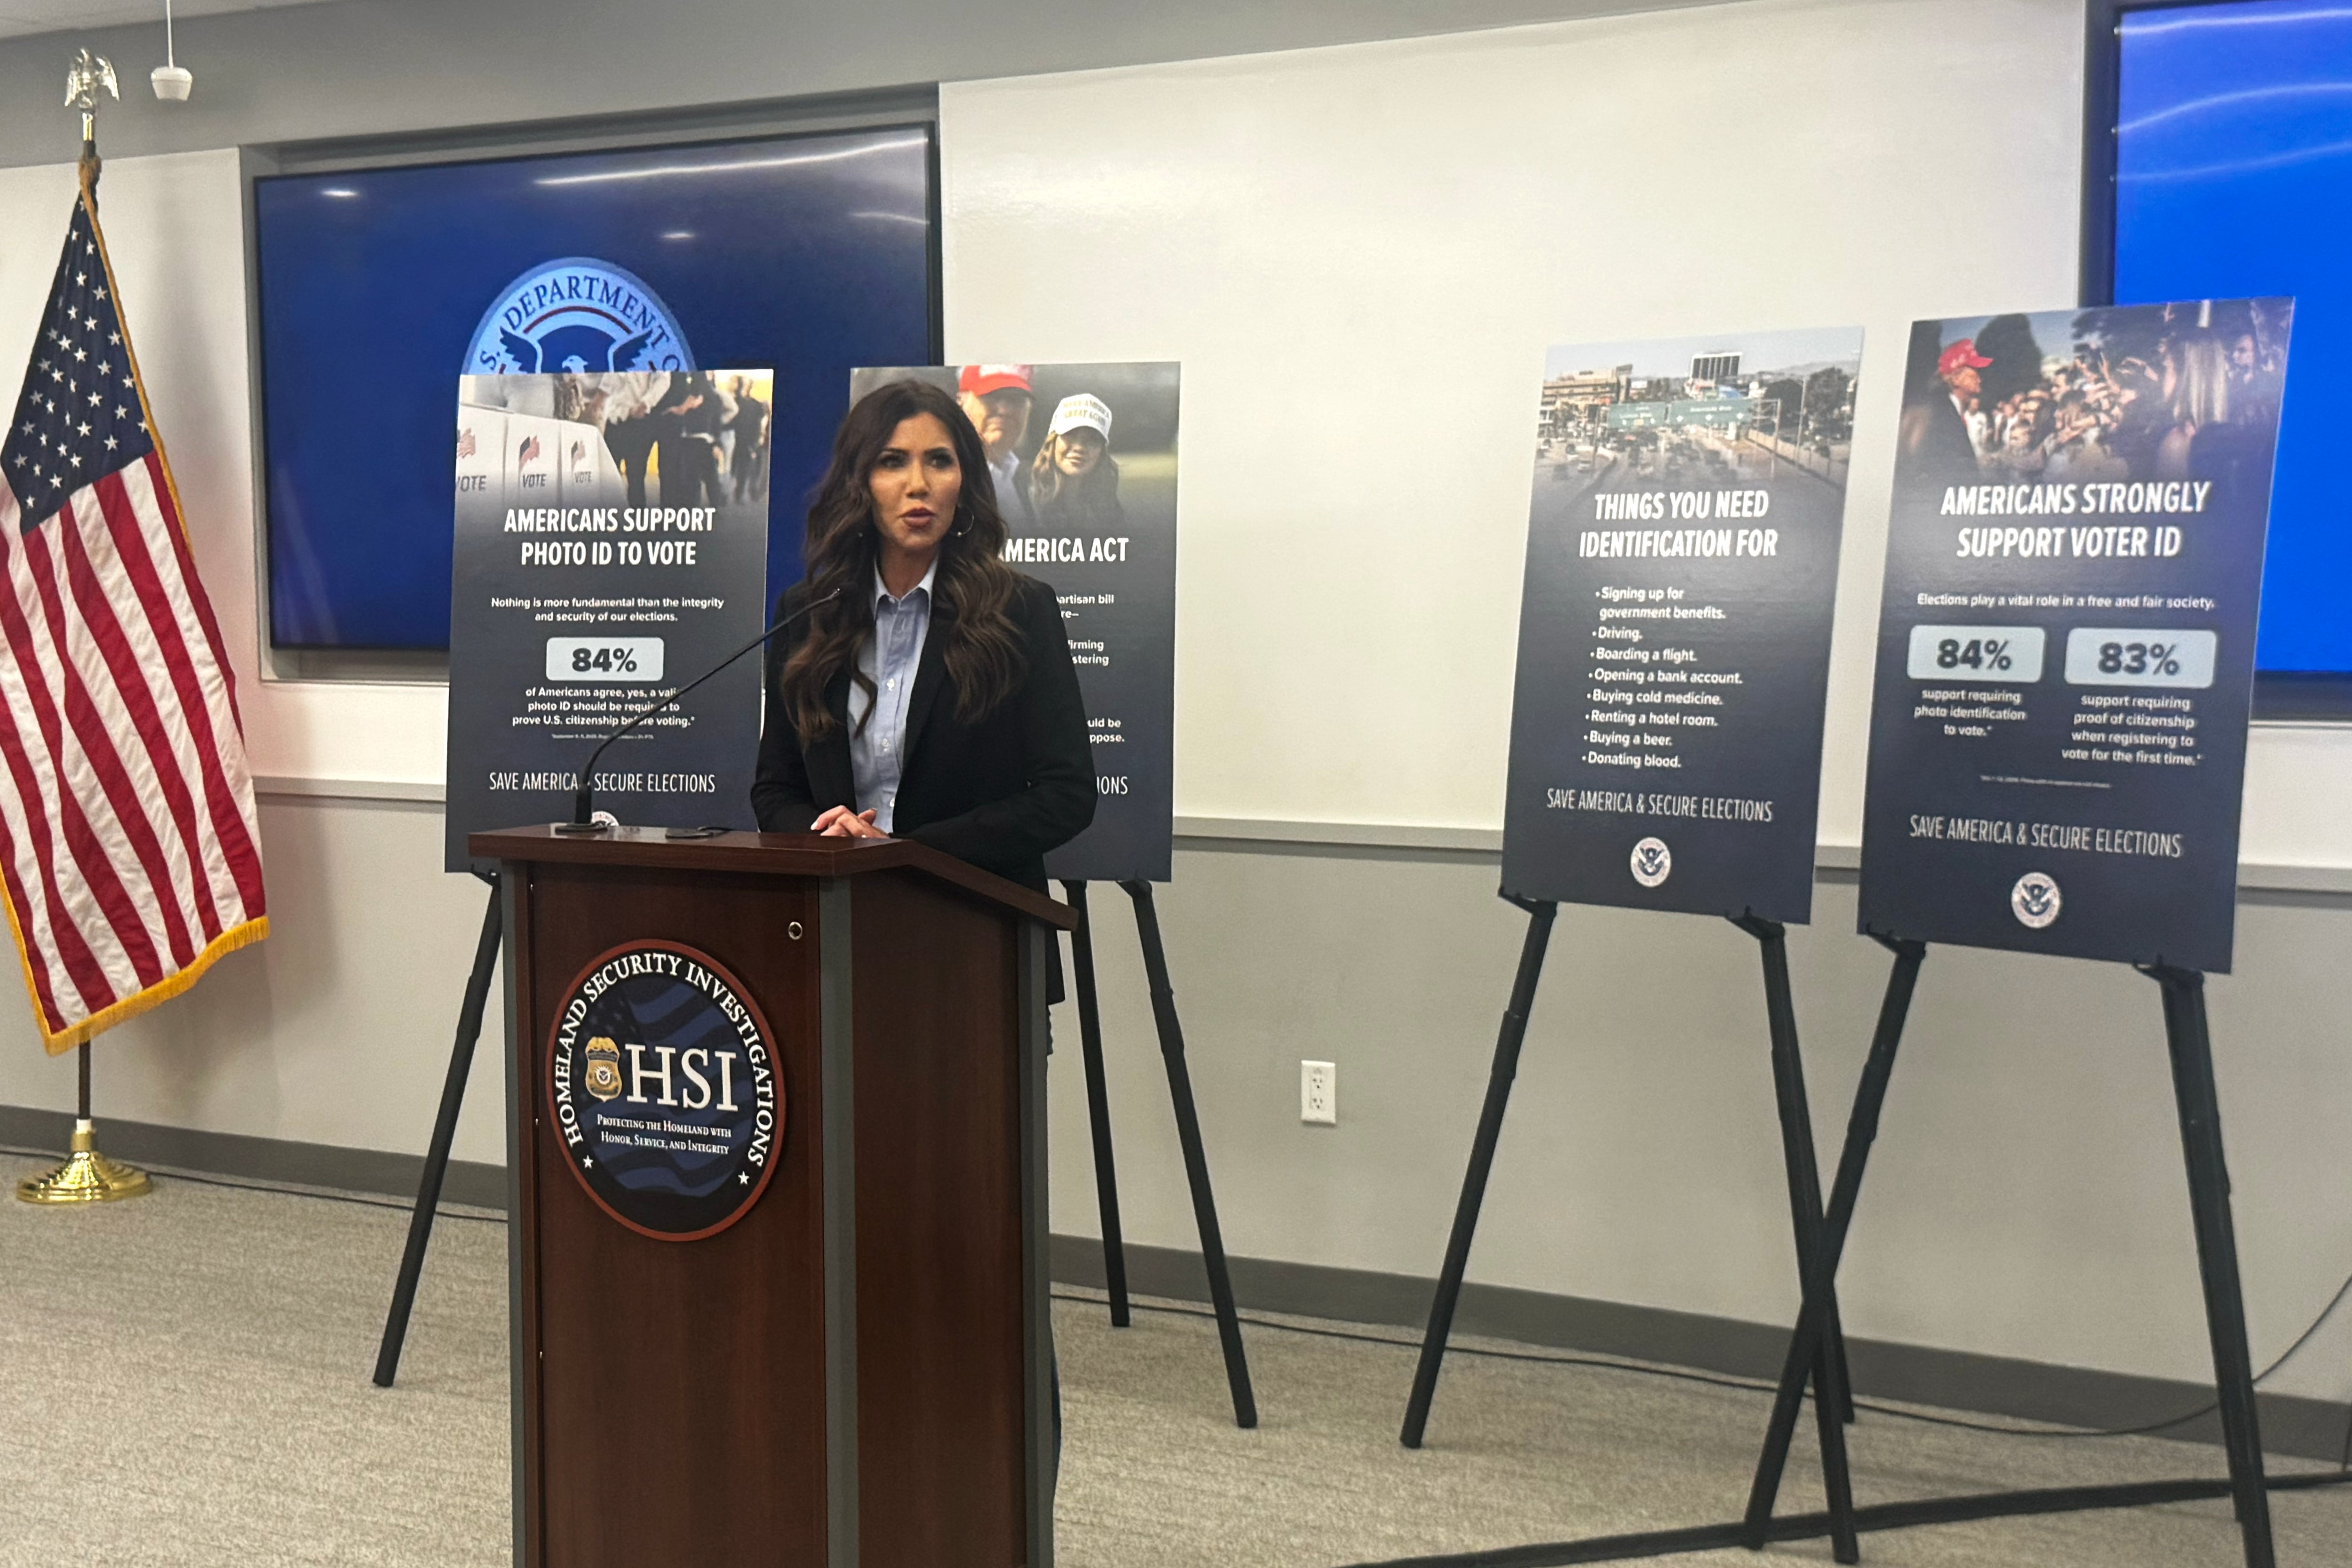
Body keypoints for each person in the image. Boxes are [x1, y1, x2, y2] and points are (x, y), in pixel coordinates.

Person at [752, 375, 1093, 900]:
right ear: (859, 482)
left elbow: (1065, 795)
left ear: (965, 480)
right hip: (834, 912)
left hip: (977, 923)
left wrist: (905, 851)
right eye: (892, 462)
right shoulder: (808, 613)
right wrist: (830, 833)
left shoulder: (1019, 611)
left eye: (939, 461)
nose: (919, 485)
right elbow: (775, 789)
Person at [1027, 392, 1125, 528]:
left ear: (1102, 453)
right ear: (1053, 442)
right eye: (1069, 435)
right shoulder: (1024, 504)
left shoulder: (1107, 513)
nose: (1079, 448)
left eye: (1092, 440)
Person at [957, 363, 1035, 526]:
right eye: (991, 396)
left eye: (1015, 400)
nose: (1004, 410)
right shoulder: (954, 476)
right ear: (961, 404)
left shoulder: (1029, 480)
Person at [1899, 337, 1988, 478]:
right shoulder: (1937, 413)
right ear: (1956, 378)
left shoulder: (1950, 410)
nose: (1980, 379)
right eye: (1975, 371)